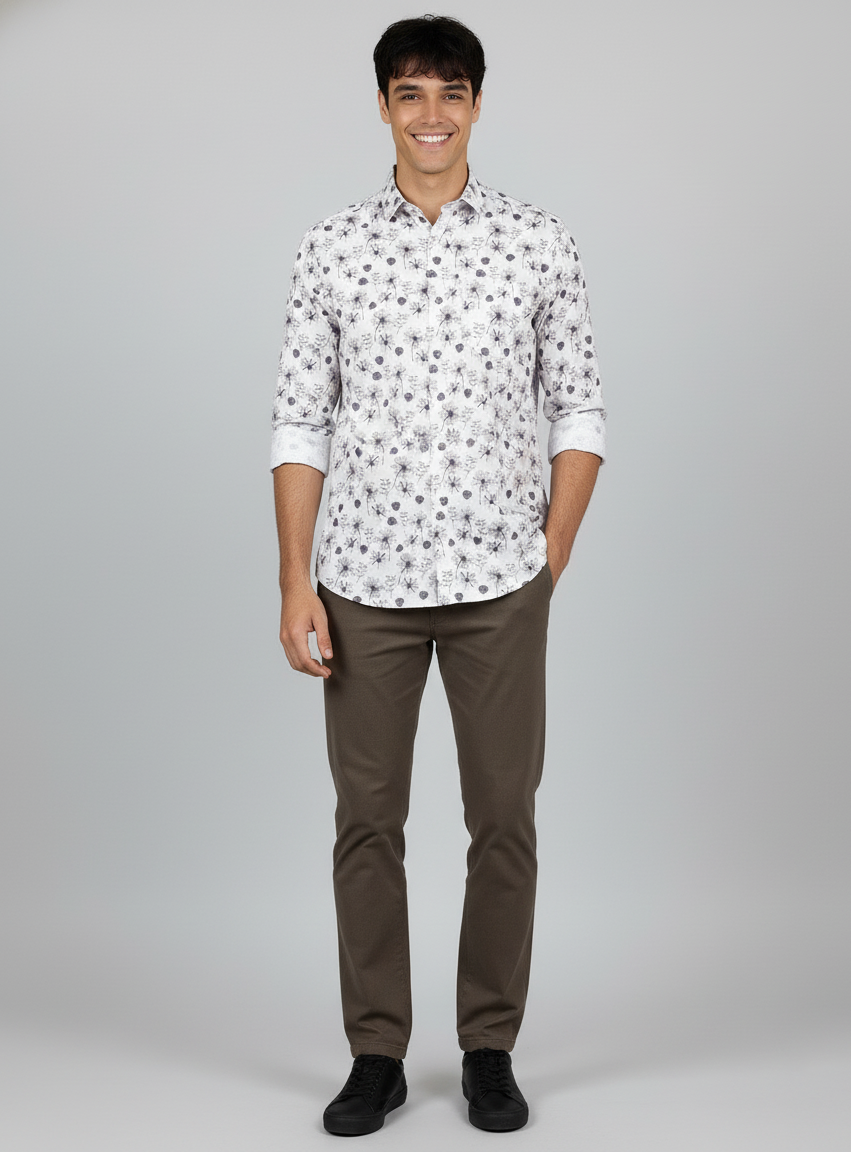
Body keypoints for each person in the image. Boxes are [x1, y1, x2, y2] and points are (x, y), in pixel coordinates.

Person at [271, 14, 606, 1136]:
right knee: (366, 822)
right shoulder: (330, 248)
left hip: (499, 583)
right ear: (381, 106)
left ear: (476, 105)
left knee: (503, 818)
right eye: (409, 93)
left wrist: (549, 554)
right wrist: (295, 580)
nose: (430, 114)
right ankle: (375, 1054)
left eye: (450, 92)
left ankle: (487, 1047)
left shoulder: (537, 242)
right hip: (362, 583)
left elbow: (580, 409)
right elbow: (299, 421)